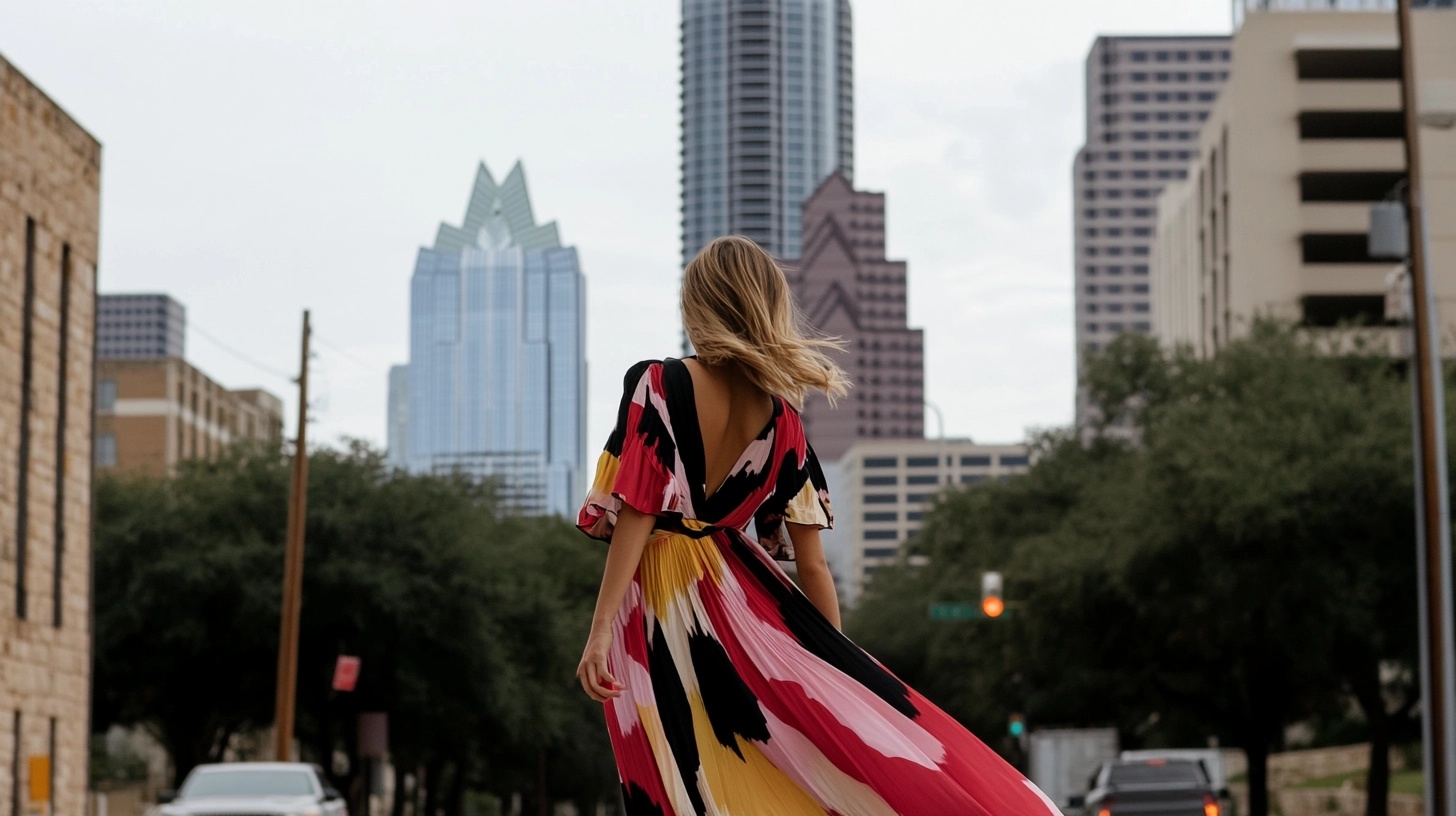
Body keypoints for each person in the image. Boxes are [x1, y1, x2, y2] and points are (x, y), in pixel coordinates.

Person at [575, 235, 1060, 815]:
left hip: (658, 605)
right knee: (764, 769)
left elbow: (638, 509)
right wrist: (835, 678)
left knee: (678, 775)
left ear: (698, 304)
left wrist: (600, 628)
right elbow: (812, 566)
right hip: (743, 607)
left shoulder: (656, 381)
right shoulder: (782, 417)